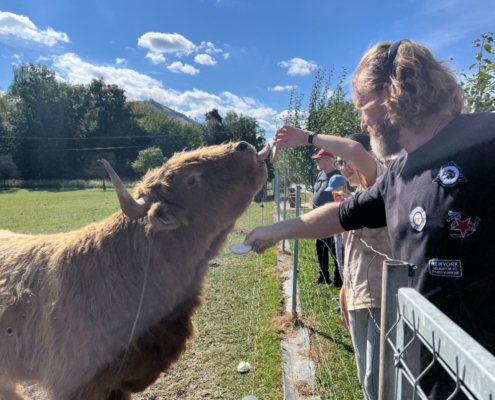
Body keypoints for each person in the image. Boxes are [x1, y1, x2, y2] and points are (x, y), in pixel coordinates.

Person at [245, 39, 495, 398]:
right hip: (434, 374)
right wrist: (275, 230)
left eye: (362, 105)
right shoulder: (402, 172)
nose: (361, 120)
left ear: (389, 91)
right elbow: (344, 213)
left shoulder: (487, 140)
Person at [275, 128, 392, 400]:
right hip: (360, 296)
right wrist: (345, 292)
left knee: (380, 383)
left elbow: (355, 152)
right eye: (339, 162)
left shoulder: (384, 182)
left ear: (371, 155)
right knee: (368, 380)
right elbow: (352, 252)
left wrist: (308, 137)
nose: (343, 166)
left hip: (383, 298)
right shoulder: (359, 194)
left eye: (344, 159)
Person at [311, 149, 343, 287]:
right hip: (318, 218)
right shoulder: (321, 174)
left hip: (331, 219)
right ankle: (323, 275)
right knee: (320, 247)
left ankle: (338, 278)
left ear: (328, 160)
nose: (316, 161)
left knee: (334, 249)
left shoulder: (337, 177)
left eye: (319, 159)